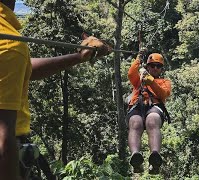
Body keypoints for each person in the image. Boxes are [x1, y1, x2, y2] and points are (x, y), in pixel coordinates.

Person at [0, 1, 111, 179]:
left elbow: (22, 68)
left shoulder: (9, 45)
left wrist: (78, 57)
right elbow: (2, 140)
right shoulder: (9, 44)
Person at [126, 51, 171, 174]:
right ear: (147, 66)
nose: (155, 68)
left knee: (152, 120)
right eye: (152, 65)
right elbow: (130, 73)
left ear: (161, 69)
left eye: (158, 66)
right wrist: (138, 60)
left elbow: (163, 94)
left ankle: (155, 156)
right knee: (135, 123)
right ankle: (135, 156)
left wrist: (150, 80)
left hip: (155, 106)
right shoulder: (138, 80)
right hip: (137, 105)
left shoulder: (165, 82)